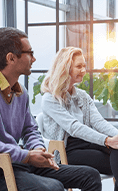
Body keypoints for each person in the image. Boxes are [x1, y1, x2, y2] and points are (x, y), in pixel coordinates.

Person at [0, 27, 101, 191]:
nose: (34, 59)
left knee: (91, 176)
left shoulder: (20, 92)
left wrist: (37, 148)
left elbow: (30, 129)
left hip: (21, 161)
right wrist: (26, 156)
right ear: (11, 58)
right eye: (29, 53)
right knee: (53, 187)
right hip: (3, 168)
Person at [40, 47, 118, 191]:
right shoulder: (49, 99)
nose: (84, 70)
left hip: (88, 142)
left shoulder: (82, 96)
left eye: (84, 66)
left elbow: (98, 122)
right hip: (67, 150)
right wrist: (108, 140)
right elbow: (74, 127)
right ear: (65, 68)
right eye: (79, 66)